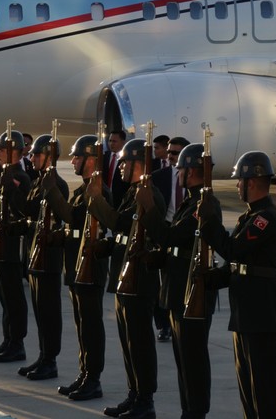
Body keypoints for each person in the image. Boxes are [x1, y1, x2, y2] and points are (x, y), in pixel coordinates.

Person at [198, 150, 276, 419]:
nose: (236, 186)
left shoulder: (266, 218)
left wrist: (210, 221)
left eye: (239, 181)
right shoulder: (249, 216)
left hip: (260, 315)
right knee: (247, 388)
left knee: (264, 392)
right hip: (246, 313)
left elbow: (234, 249)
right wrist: (213, 279)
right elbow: (240, 265)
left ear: (251, 182)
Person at [139, 143, 220, 419]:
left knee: (193, 359)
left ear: (193, 171)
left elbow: (172, 237)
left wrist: (149, 207)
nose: (178, 174)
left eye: (181, 169)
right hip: (178, 289)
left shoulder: (204, 205)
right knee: (183, 358)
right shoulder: (190, 202)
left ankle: (196, 411)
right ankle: (188, 409)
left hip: (192, 291)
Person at [87, 138, 166, 419]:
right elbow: (122, 231)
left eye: (124, 162)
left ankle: (146, 401)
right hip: (125, 276)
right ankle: (134, 395)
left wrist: (96, 199)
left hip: (140, 280)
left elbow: (120, 223)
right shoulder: (133, 193)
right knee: (128, 341)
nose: (119, 166)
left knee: (141, 343)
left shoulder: (149, 195)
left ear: (138, 164)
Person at [48, 135, 111, 401]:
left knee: (91, 326)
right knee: (82, 324)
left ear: (91, 160)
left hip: (90, 268)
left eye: (77, 157)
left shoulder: (99, 191)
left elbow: (73, 218)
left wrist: (51, 192)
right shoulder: (82, 189)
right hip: (76, 265)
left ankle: (93, 379)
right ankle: (85, 374)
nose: (72, 160)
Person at [19, 135, 68, 380]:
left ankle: (51, 360)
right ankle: (42, 355)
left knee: (49, 311)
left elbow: (61, 215)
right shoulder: (39, 182)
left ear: (49, 157)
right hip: (35, 254)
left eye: (37, 154)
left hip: (49, 258)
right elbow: (28, 210)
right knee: (39, 310)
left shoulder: (57, 183)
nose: (32, 158)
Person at [0, 129, 31, 363]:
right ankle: (8, 338)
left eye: (2, 149)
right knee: (4, 295)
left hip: (12, 242)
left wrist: (12, 188)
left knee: (14, 295)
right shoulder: (2, 171)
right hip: (0, 240)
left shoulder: (21, 176)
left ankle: (17, 342)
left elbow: (22, 209)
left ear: (14, 152)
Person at [150, 136, 190, 343]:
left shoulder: (194, 179)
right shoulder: (159, 176)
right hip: (166, 228)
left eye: (176, 153)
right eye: (170, 152)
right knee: (162, 280)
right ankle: (163, 325)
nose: (171, 156)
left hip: (186, 231)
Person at [104, 130, 129, 207]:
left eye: (114, 141)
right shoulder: (104, 157)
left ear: (123, 142)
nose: (111, 144)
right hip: (104, 199)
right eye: (110, 141)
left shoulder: (127, 159)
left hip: (119, 201)